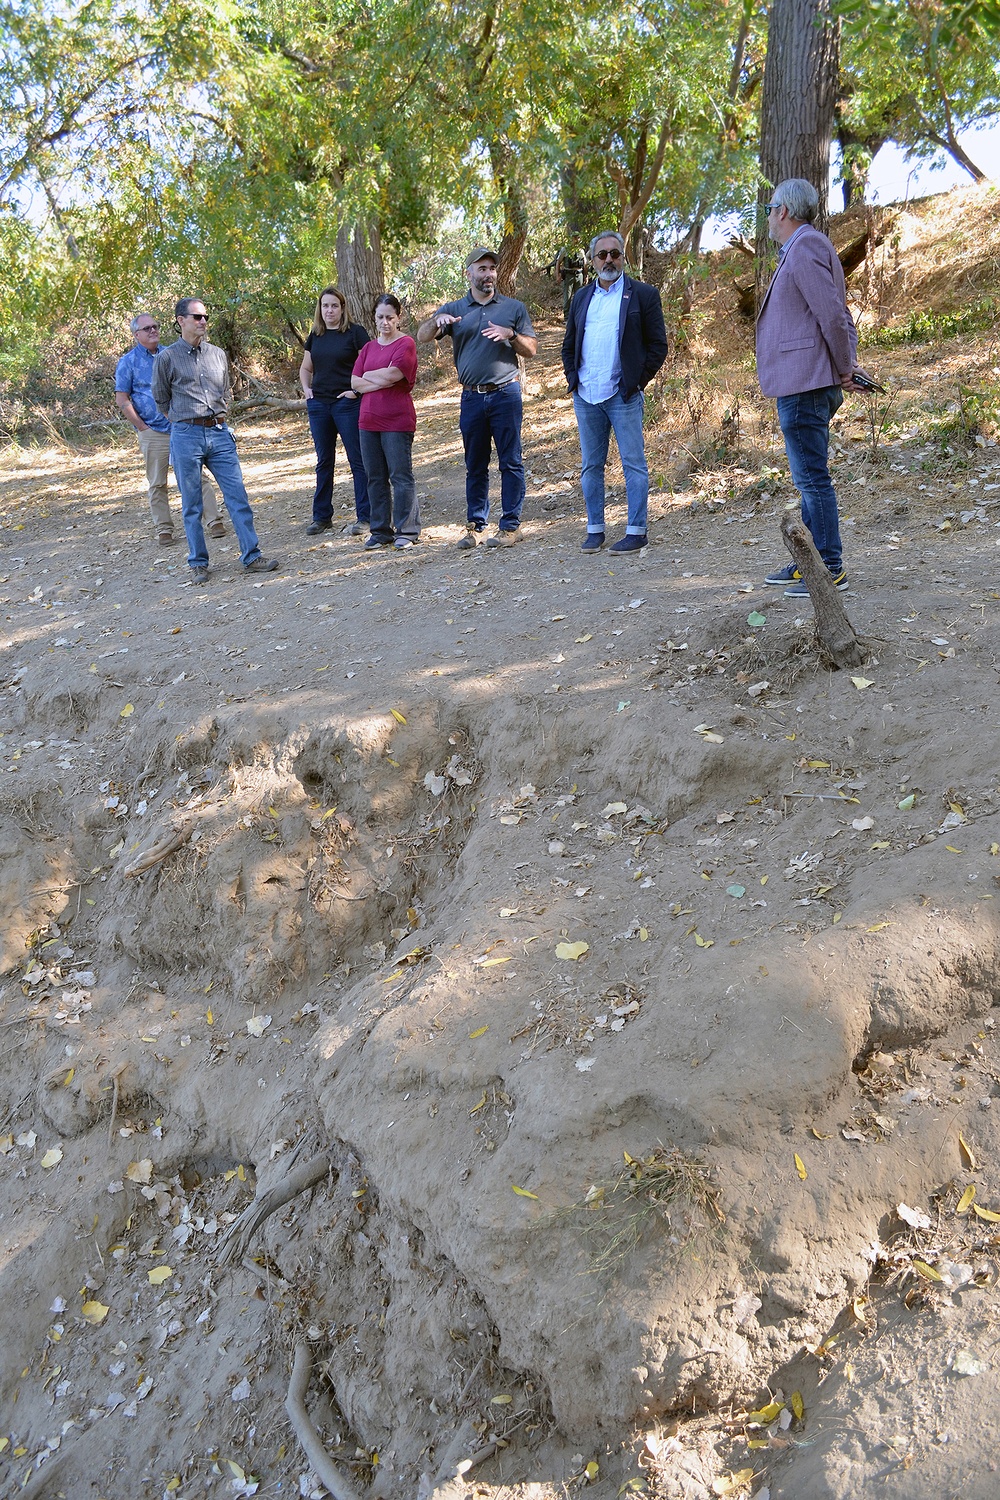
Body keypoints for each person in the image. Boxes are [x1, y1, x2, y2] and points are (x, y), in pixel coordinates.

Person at [756, 178, 871, 598]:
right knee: (808, 477)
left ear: (783, 211)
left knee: (811, 479)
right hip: (800, 380)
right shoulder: (802, 249)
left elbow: (834, 316)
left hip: (806, 382)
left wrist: (845, 368)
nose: (768, 216)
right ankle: (811, 563)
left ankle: (829, 566)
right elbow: (834, 313)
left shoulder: (804, 248)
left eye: (770, 208)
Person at [150, 297, 279, 584]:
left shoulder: (217, 354)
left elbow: (226, 391)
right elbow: (161, 399)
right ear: (180, 321)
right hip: (186, 434)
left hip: (220, 432)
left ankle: (252, 555)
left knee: (238, 497)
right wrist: (184, 420)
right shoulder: (167, 358)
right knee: (192, 503)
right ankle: (198, 563)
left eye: (205, 316)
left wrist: (220, 416)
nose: (203, 321)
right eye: (196, 317)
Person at [416, 247, 537, 550]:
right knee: (475, 464)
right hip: (471, 398)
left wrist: (511, 335)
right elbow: (422, 336)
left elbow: (531, 349)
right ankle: (477, 527)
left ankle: (510, 526)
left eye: (492, 268)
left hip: (505, 394)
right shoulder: (456, 308)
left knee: (510, 461)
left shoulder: (513, 308)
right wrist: (436, 320)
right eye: (481, 268)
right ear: (467, 273)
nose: (488, 274)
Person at [562, 230, 668, 553]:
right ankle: (595, 529)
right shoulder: (581, 298)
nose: (609, 259)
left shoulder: (644, 295)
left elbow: (658, 346)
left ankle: (636, 531)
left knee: (633, 464)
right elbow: (569, 345)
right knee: (590, 466)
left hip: (622, 396)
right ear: (593, 261)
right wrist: (573, 380)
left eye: (615, 254)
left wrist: (636, 382)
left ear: (624, 257)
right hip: (586, 396)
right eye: (602, 254)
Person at [115, 313, 224, 546]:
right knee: (157, 482)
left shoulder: (172, 353)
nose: (153, 330)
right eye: (147, 329)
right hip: (153, 431)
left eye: (155, 326)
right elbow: (122, 398)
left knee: (197, 475)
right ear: (136, 335)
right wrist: (142, 427)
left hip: (182, 427)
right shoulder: (128, 362)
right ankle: (164, 529)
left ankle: (214, 521)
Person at [299, 287, 371, 536]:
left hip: (347, 404)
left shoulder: (355, 333)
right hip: (319, 405)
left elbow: (369, 365)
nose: (329, 310)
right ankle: (321, 517)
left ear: (342, 308)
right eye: (325, 306)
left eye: (334, 306)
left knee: (357, 460)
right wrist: (307, 390)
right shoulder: (315, 335)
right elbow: (306, 368)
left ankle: (366, 516)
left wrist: (357, 392)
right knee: (324, 461)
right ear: (320, 309)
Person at [351, 294, 420, 550]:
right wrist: (378, 379)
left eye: (390, 317)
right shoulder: (368, 348)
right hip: (368, 420)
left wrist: (370, 376)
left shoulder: (406, 344)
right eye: (380, 317)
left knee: (400, 476)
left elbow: (396, 373)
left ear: (398, 317)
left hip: (396, 420)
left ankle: (407, 530)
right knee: (374, 477)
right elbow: (354, 381)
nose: (385, 322)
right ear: (374, 318)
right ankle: (380, 531)